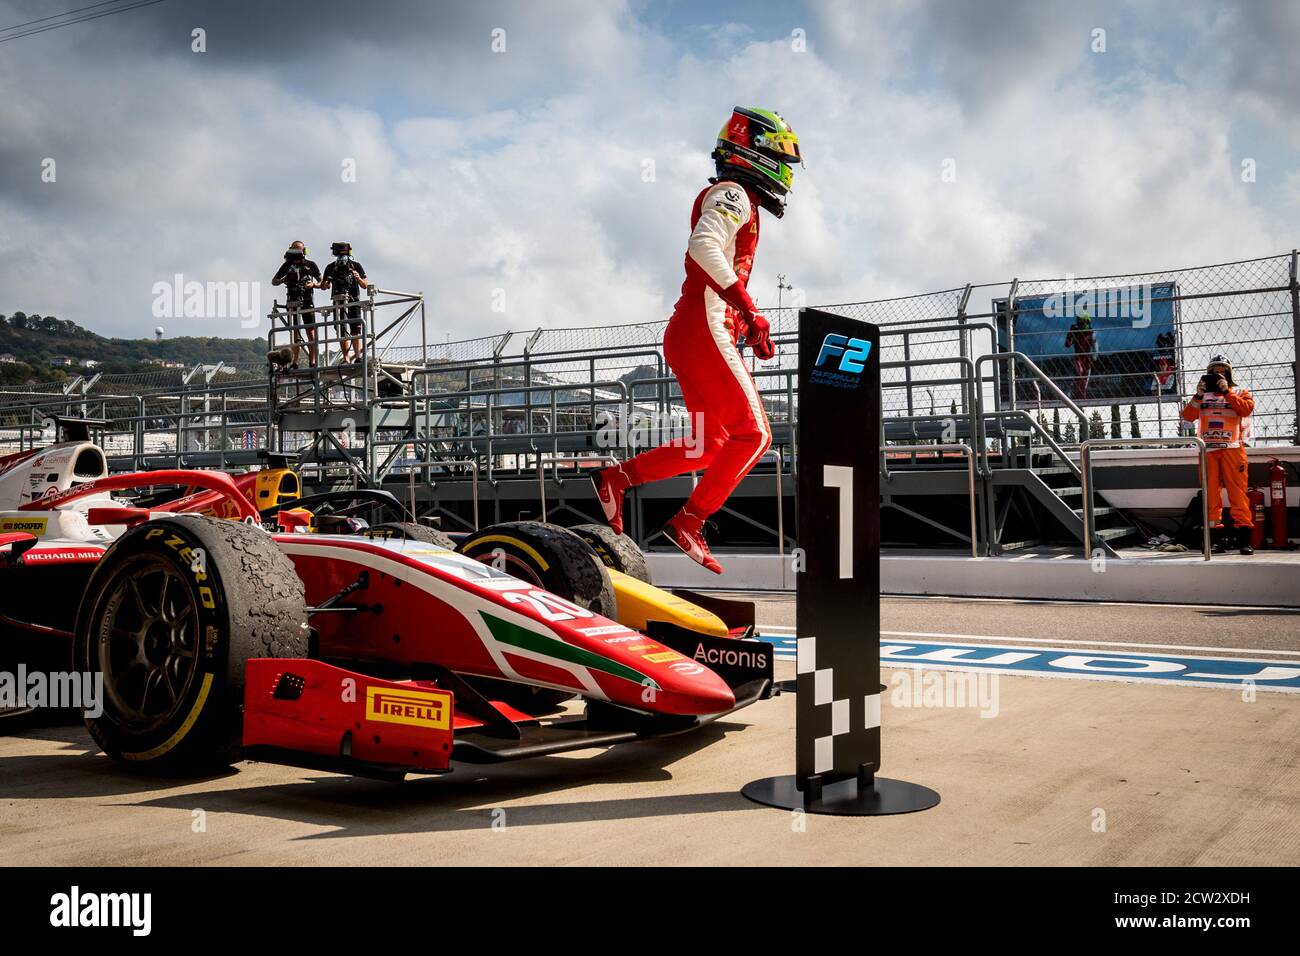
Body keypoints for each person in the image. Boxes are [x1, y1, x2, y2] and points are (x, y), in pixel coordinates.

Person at [589, 107, 800, 574]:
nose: (788, 171)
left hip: (691, 331)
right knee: (756, 434)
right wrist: (748, 308)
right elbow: (702, 248)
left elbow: (711, 264)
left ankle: (616, 479)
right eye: (782, 157)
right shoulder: (733, 193)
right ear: (757, 153)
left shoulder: (739, 199)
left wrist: (744, 322)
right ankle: (689, 521)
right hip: (704, 329)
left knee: (709, 444)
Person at [1180, 354, 1255, 554]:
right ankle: (1216, 540)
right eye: (1214, 372)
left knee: (1238, 495)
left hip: (1233, 449)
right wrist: (1197, 396)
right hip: (1208, 451)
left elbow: (1246, 409)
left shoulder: (1240, 392)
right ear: (1208, 374)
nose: (1219, 374)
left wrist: (1226, 392)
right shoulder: (1202, 395)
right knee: (1211, 496)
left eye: (1222, 370)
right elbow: (1187, 416)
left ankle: (1244, 541)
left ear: (1229, 373)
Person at [270, 241, 322, 368]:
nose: (297, 253)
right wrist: (284, 280)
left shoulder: (311, 265)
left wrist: (313, 284)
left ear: (304, 251)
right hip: (292, 301)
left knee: (311, 332)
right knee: (295, 332)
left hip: (307, 301)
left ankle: (312, 361)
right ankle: (295, 361)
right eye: (294, 250)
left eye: (299, 250)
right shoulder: (287, 265)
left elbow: (323, 282)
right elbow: (274, 281)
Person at [321, 241, 369, 364]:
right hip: (338, 301)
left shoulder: (356, 265)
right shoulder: (331, 267)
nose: (342, 257)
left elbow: (365, 285)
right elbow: (323, 286)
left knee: (355, 330)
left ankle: (358, 356)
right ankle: (346, 358)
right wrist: (328, 281)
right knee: (342, 330)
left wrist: (358, 278)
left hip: (353, 301)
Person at [1064, 309, 1096, 400]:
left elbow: (1095, 349)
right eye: (1079, 323)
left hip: (1087, 359)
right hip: (1079, 358)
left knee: (1084, 380)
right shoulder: (1076, 332)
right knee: (1080, 375)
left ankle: (1080, 397)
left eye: (1082, 322)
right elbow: (1067, 344)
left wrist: (1093, 358)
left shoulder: (1091, 333)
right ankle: (1073, 395)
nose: (1080, 325)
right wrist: (1071, 334)